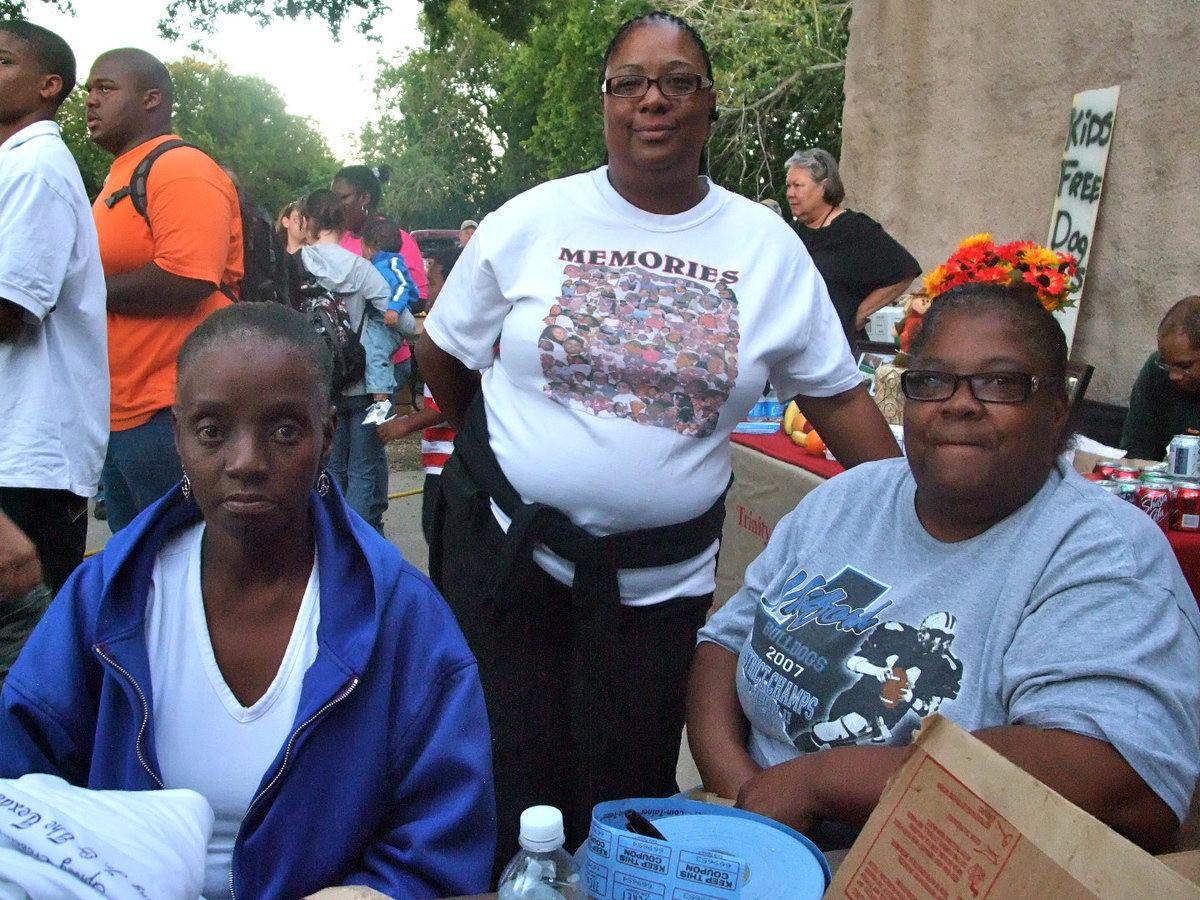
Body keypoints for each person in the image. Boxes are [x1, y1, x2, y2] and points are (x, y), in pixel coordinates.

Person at [416, 10, 900, 865]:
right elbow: (443, 353)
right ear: (604, 102)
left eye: (679, 82)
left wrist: (930, 507)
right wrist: (508, 464)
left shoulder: (765, 247)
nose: (654, 99)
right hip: (504, 556)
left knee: (624, 789)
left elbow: (840, 401)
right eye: (631, 82)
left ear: (710, 105)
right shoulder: (534, 218)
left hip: (657, 585)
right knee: (501, 771)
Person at [0, 302, 496, 899]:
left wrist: (378, 890)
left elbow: (442, 841)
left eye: (285, 430)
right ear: (178, 434)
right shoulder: (105, 598)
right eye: (212, 431)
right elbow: (20, 782)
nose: (246, 462)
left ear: (328, 435)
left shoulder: (402, 617)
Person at [688, 282, 1200, 853]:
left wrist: (819, 783)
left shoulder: (1099, 553)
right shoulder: (848, 497)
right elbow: (725, 642)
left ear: (1058, 413)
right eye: (932, 380)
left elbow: (1113, 776)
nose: (960, 402)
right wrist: (743, 797)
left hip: (927, 865)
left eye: (1001, 382)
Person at [85, 48, 242, 533]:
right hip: (121, 409)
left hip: (171, 408)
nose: (91, 101)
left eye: (106, 88)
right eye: (90, 90)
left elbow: (189, 277)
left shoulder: (179, 168)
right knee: (139, 569)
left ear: (152, 99)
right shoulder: (121, 173)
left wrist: (78, 293)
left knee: (182, 562)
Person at [0, 20, 107, 597]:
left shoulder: (35, 167)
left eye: (1, 61)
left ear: (49, 85)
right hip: (17, 448)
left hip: (27, 457)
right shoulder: (13, 166)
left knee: (26, 658)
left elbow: (9, 309)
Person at [297, 189, 393, 531]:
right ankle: (360, 537)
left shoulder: (294, 266)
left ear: (306, 222)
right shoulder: (361, 268)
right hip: (361, 377)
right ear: (342, 223)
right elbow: (399, 316)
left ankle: (332, 534)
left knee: (331, 467)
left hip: (316, 382)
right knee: (364, 469)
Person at [786, 147, 921, 349]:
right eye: (788, 186)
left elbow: (904, 270)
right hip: (797, 349)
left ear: (823, 187)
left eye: (798, 185)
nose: (790, 193)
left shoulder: (854, 229)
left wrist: (859, 314)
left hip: (840, 349)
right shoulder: (790, 233)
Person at [378, 245, 462, 547]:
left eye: (434, 281)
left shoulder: (461, 331)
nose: (428, 288)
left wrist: (406, 424)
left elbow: (457, 393)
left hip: (452, 461)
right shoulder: (446, 325)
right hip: (439, 458)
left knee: (444, 543)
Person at [332, 164, 428, 302]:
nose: (336, 205)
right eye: (333, 199)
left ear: (365, 198)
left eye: (343, 197)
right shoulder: (338, 239)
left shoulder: (399, 240)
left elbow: (419, 299)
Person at [1121, 295, 1200, 461]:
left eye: (1185, 366)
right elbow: (1138, 446)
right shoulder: (1156, 370)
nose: (1173, 375)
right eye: (1167, 365)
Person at [360, 216, 420, 425]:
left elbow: (402, 285)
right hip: (379, 319)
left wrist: (394, 308)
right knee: (379, 357)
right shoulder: (378, 263)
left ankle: (382, 403)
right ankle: (381, 397)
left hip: (389, 320)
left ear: (371, 246)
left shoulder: (391, 261)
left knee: (375, 353)